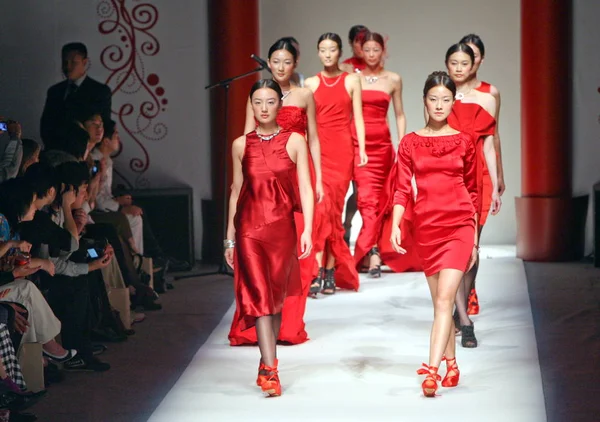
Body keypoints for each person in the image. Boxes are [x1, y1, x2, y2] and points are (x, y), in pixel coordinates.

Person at [390, 71, 479, 397]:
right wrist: (396, 223)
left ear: (453, 101)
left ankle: (431, 370)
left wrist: (475, 241)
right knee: (438, 305)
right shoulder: (410, 142)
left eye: (446, 99)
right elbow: (401, 189)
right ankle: (452, 364)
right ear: (424, 101)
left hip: (459, 226)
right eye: (433, 98)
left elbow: (472, 190)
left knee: (445, 301)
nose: (440, 105)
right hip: (426, 228)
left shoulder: (464, 141)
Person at [229, 38, 322, 346]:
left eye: (286, 61)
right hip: (262, 177)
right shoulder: (258, 97)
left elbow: (313, 140)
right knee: (258, 256)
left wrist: (318, 178)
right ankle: (257, 325)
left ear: (295, 63)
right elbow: (246, 134)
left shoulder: (305, 94)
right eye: (275, 61)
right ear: (268, 62)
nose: (280, 67)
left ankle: (288, 325)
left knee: (294, 259)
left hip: (294, 176)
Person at [224, 79, 313, 397]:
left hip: (282, 228)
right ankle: (270, 367)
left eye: (270, 102)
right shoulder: (239, 145)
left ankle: (266, 362)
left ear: (280, 105)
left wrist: (309, 230)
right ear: (251, 106)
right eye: (258, 102)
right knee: (260, 297)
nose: (263, 108)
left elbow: (306, 188)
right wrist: (229, 237)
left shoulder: (295, 141)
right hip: (249, 228)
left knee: (275, 300)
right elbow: (236, 191)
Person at [445, 43, 500, 347]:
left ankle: (460, 307)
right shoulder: (440, 97)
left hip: (477, 180)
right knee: (454, 249)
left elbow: (489, 146)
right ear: (447, 64)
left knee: (471, 249)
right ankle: (464, 318)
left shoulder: (485, 99)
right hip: (448, 180)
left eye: (463, 63)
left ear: (473, 65)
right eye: (453, 62)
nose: (458, 68)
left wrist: (495, 180)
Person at [305, 32, 366, 295]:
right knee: (321, 210)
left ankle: (329, 268)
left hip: (342, 150)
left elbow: (359, 118)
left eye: (332, 49)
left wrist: (362, 148)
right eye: (322, 49)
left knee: (335, 210)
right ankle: (319, 268)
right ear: (317, 52)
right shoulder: (310, 83)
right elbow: (306, 123)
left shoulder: (352, 79)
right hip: (319, 150)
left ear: (340, 52)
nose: (327, 54)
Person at [458, 33, 506, 316]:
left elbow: (493, 136)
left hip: (483, 172)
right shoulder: (445, 91)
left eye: (473, 56)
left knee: (475, 239)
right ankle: (462, 299)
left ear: (481, 59)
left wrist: (499, 175)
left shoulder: (490, 93)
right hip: (455, 173)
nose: (468, 61)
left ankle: (465, 296)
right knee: (463, 241)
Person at [351, 31, 406, 277]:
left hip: (383, 146)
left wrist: (404, 144)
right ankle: (371, 252)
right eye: (367, 50)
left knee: (382, 202)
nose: (372, 54)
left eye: (376, 49)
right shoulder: (353, 79)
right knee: (366, 201)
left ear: (384, 51)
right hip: (358, 144)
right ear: (360, 51)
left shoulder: (393, 79)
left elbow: (400, 114)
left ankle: (373, 252)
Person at [40, 42, 112, 151]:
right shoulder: (55, 91)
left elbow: (104, 125)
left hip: (84, 155)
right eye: (65, 62)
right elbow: (46, 125)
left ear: (85, 62)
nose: (68, 67)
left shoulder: (100, 92)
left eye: (73, 62)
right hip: (54, 153)